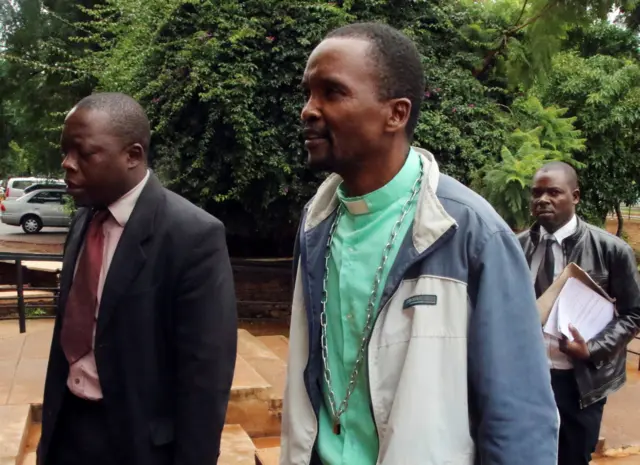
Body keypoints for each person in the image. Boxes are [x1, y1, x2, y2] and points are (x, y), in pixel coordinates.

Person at [280, 22, 559, 465]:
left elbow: (519, 415)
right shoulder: (316, 223)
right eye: (308, 93)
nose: (308, 110)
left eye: (332, 93)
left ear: (397, 113)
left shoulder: (470, 232)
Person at [37, 92, 237, 465]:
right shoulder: (83, 220)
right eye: (65, 151)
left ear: (132, 156)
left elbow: (204, 377)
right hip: (68, 430)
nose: (67, 164)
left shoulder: (192, 235)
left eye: (83, 153)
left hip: (137, 446)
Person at [518, 162, 640, 465]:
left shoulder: (611, 250)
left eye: (553, 192)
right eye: (537, 193)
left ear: (575, 197)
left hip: (581, 383)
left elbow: (634, 313)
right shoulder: (515, 248)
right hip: (527, 378)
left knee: (572, 458)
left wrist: (592, 349)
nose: (542, 199)